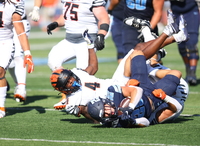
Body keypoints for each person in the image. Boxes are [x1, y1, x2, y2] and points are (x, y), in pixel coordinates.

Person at [50, 15, 183, 121]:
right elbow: (94, 116)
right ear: (63, 89)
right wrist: (81, 112)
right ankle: (165, 42)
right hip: (117, 98)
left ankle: (173, 38)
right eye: (67, 83)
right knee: (142, 58)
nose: (71, 81)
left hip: (116, 83)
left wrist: (90, 45)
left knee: (137, 51)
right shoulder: (74, 100)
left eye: (69, 78)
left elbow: (93, 67)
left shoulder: (77, 74)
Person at [87, 50, 183, 128]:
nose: (109, 112)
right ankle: (151, 67)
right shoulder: (118, 123)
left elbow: (137, 90)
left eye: (105, 108)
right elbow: (147, 122)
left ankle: (151, 71)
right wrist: (133, 122)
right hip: (155, 97)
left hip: (141, 86)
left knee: (137, 53)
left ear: (105, 102)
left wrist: (130, 107)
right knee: (177, 73)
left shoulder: (113, 93)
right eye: (105, 114)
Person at [0, 0, 34, 118]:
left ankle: (1, 107)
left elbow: (20, 31)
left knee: (0, 71)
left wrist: (27, 53)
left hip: (5, 42)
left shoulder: (13, 6)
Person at [7, 0, 42, 102]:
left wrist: (36, 8)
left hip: (20, 21)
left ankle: (21, 89)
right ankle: (14, 84)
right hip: (4, 25)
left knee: (18, 55)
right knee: (8, 61)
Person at [169, 0, 199, 85]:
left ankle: (192, 73)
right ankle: (188, 70)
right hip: (176, 11)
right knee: (181, 44)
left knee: (192, 43)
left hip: (191, 10)